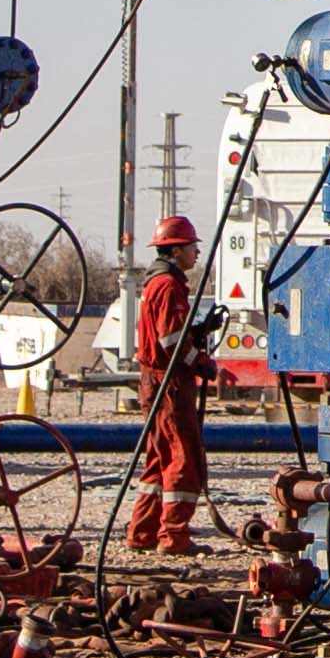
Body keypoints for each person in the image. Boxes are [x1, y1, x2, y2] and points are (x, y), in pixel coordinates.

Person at [122, 215, 211, 551]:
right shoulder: (169, 285)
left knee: (158, 458)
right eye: (191, 246)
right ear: (175, 250)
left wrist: (196, 333)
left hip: (156, 379)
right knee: (181, 457)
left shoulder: (156, 283)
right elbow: (171, 341)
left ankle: (142, 532)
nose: (196, 253)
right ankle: (173, 535)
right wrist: (201, 363)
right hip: (169, 382)